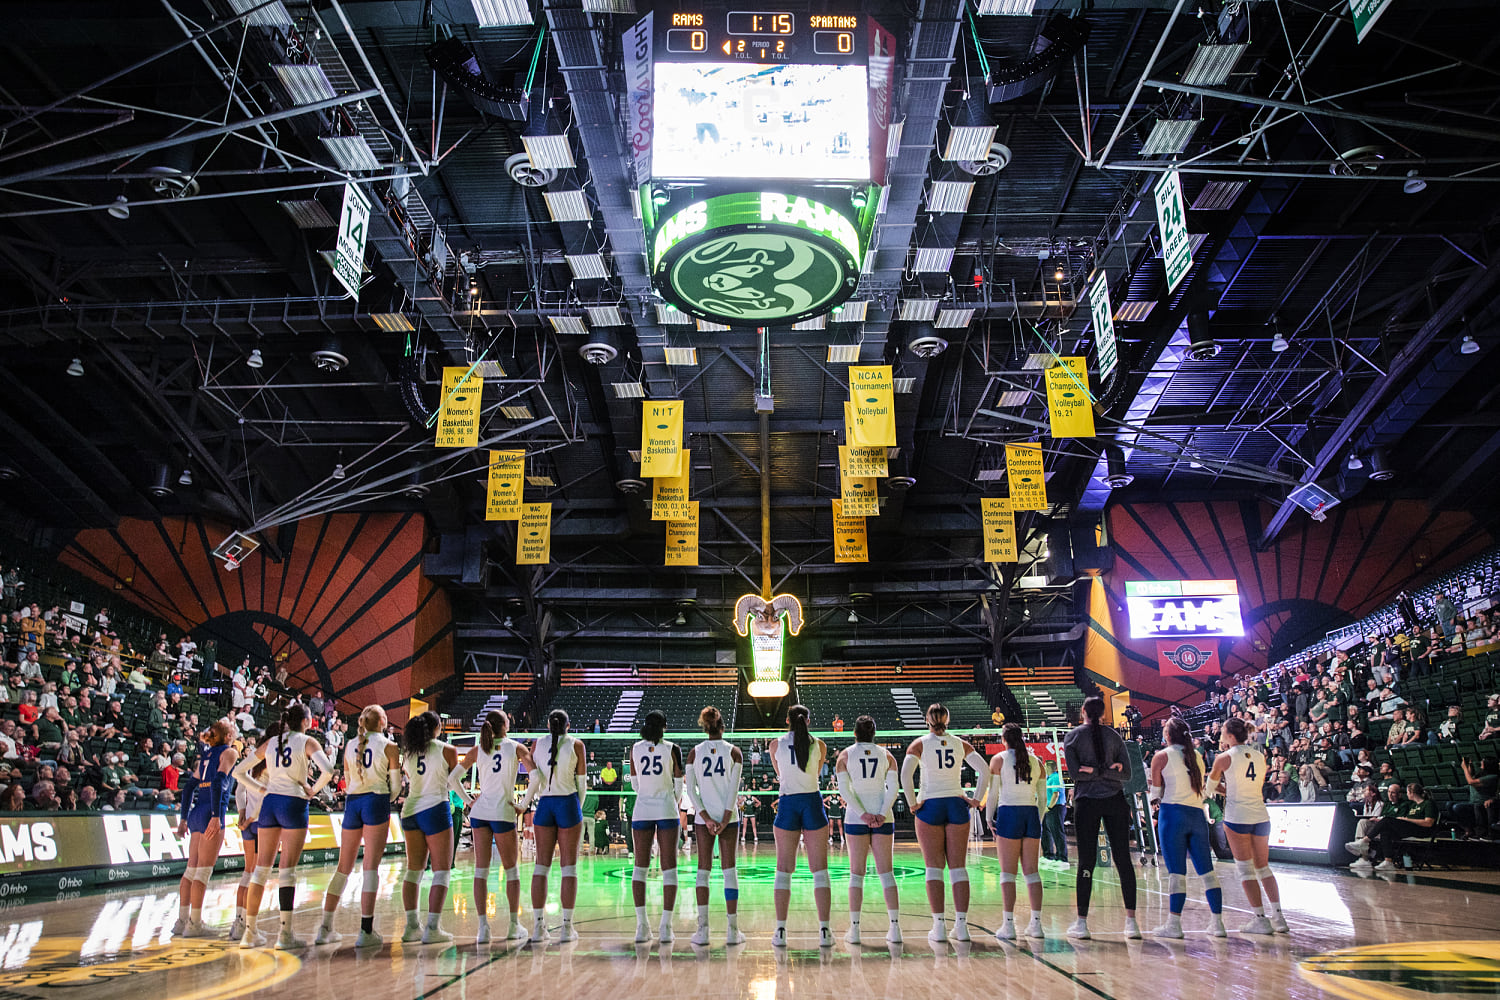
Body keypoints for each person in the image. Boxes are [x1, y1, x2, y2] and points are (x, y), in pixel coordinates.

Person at [238, 704, 334, 949]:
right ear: (305, 720)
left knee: (260, 870)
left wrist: (261, 789)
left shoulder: (271, 743)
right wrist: (314, 790)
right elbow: (329, 770)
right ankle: (285, 935)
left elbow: (239, 772)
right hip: (294, 802)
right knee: (286, 871)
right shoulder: (307, 741)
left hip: (270, 803)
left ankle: (249, 933)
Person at [901, 703, 987, 944]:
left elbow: (906, 775)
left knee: (933, 868)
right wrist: (976, 800)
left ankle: (939, 927)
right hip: (956, 804)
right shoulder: (960, 743)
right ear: (947, 720)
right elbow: (985, 770)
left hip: (930, 805)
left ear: (927, 720)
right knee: (958, 868)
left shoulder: (919, 744)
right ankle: (961, 927)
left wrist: (911, 803)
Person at [316, 706, 400, 947]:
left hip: (353, 803)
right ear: (383, 721)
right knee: (371, 867)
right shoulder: (389, 746)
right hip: (376, 800)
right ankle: (365, 931)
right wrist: (388, 798)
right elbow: (394, 787)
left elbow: (348, 779)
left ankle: (325, 928)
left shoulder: (351, 743)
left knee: (343, 867)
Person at [449, 709, 532, 943]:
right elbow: (536, 776)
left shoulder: (478, 749)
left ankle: (483, 928)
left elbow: (452, 779)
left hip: (480, 812)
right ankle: (514, 926)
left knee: (480, 871)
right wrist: (523, 804)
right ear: (505, 724)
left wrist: (468, 802)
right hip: (503, 811)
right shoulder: (516, 747)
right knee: (511, 870)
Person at [1061, 696, 1139, 939]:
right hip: (1115, 801)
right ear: (1104, 713)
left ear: (1083, 711)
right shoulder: (1114, 737)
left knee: (1086, 862)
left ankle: (1082, 924)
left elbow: (1077, 774)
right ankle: (1132, 923)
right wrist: (1108, 772)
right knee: (1123, 860)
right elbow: (1125, 774)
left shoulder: (1072, 737)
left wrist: (1093, 771)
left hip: (1087, 803)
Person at [1208, 717, 1289, 935]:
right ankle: (1279, 918)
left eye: (1223, 731)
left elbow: (1210, 787)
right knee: (1264, 868)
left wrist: (1227, 790)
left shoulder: (1223, 758)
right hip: (1260, 815)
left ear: (1230, 735)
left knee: (1246, 870)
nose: (1221, 734)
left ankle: (1260, 919)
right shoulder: (1260, 755)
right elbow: (1254, 784)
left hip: (1237, 816)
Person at [1148, 715, 1225, 938]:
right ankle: (1218, 924)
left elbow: (1156, 795)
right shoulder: (1197, 757)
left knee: (1176, 874)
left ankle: (1174, 925)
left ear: (1168, 735)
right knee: (1207, 871)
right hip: (1197, 815)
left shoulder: (1160, 756)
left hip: (1173, 815)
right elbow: (1203, 786)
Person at [520, 709, 586, 943]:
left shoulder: (537, 744)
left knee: (541, 867)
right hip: (567, 802)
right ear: (568, 725)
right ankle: (567, 928)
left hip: (544, 805)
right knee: (569, 869)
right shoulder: (577, 745)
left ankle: (538, 927)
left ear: (548, 724)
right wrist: (574, 810)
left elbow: (534, 778)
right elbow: (582, 786)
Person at [770, 704, 833, 948]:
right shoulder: (820, 744)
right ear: (808, 721)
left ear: (787, 720)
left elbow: (780, 774)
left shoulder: (775, 744)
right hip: (811, 801)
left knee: (784, 868)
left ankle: (780, 930)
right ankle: (825, 930)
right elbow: (815, 772)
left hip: (788, 801)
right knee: (820, 869)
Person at [834, 714, 900, 946]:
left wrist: (862, 814)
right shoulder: (887, 755)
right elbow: (894, 788)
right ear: (874, 733)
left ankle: (855, 931)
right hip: (884, 816)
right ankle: (895, 928)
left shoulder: (845, 755)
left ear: (855, 733)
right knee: (886, 873)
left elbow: (844, 790)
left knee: (856, 874)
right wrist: (881, 812)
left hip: (856, 818)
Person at [684, 705, 746, 946]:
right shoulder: (734, 752)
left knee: (703, 870)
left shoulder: (694, 753)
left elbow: (691, 790)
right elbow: (734, 789)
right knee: (729, 871)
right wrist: (725, 817)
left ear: (705, 727)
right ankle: (732, 931)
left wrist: (706, 818)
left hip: (704, 819)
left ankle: (703, 930)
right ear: (722, 727)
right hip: (727, 819)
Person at [171, 719, 238, 939]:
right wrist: (217, 816)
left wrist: (183, 819)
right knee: (203, 871)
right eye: (233, 730)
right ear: (228, 736)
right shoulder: (229, 753)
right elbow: (219, 782)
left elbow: (189, 786)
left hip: (197, 811)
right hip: (211, 811)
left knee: (191, 869)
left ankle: (181, 921)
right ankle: (195, 923)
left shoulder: (206, 755)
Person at [397, 711, 459, 943]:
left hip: (411, 810)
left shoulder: (409, 752)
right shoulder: (447, 750)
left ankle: (411, 926)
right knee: (441, 870)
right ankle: (433, 927)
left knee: (414, 870)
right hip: (435, 808)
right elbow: (453, 781)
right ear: (437, 727)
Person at [985, 723, 1048, 941]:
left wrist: (988, 818)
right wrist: (1037, 821)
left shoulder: (999, 760)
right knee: (1032, 872)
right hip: (1030, 814)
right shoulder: (1037, 761)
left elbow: (992, 794)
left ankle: (1009, 925)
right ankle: (1037, 925)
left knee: (1007, 873)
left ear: (1003, 739)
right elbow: (1043, 800)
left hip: (1009, 813)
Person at [626, 710, 683, 943]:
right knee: (669, 867)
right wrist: (669, 800)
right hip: (667, 808)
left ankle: (642, 927)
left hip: (642, 809)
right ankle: (666, 927)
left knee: (640, 867)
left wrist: (647, 795)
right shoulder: (673, 748)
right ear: (665, 726)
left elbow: (634, 783)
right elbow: (679, 784)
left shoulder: (635, 748)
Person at [229, 735, 270, 943]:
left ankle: (239, 922)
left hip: (247, 822)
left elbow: (239, 792)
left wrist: (242, 814)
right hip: (261, 821)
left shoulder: (250, 766)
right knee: (258, 875)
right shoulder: (271, 766)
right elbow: (265, 797)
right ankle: (250, 927)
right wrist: (251, 817)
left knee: (248, 872)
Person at [1368, 781, 1438, 871]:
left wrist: (1407, 820)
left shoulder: (1428, 804)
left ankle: (1366, 840)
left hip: (1422, 830)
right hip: (1411, 828)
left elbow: (1429, 823)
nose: (1406, 795)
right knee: (1385, 831)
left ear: (1412, 793)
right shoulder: (1413, 805)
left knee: (1386, 820)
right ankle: (1388, 861)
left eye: (1407, 792)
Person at [1041, 759, 1067, 865]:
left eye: (1047, 766)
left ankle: (1062, 857)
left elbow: (1056, 794)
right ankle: (1048, 855)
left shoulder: (1056, 777)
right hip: (1048, 808)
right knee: (1046, 831)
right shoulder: (1047, 778)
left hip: (1056, 807)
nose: (1046, 768)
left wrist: (1049, 807)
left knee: (1057, 832)